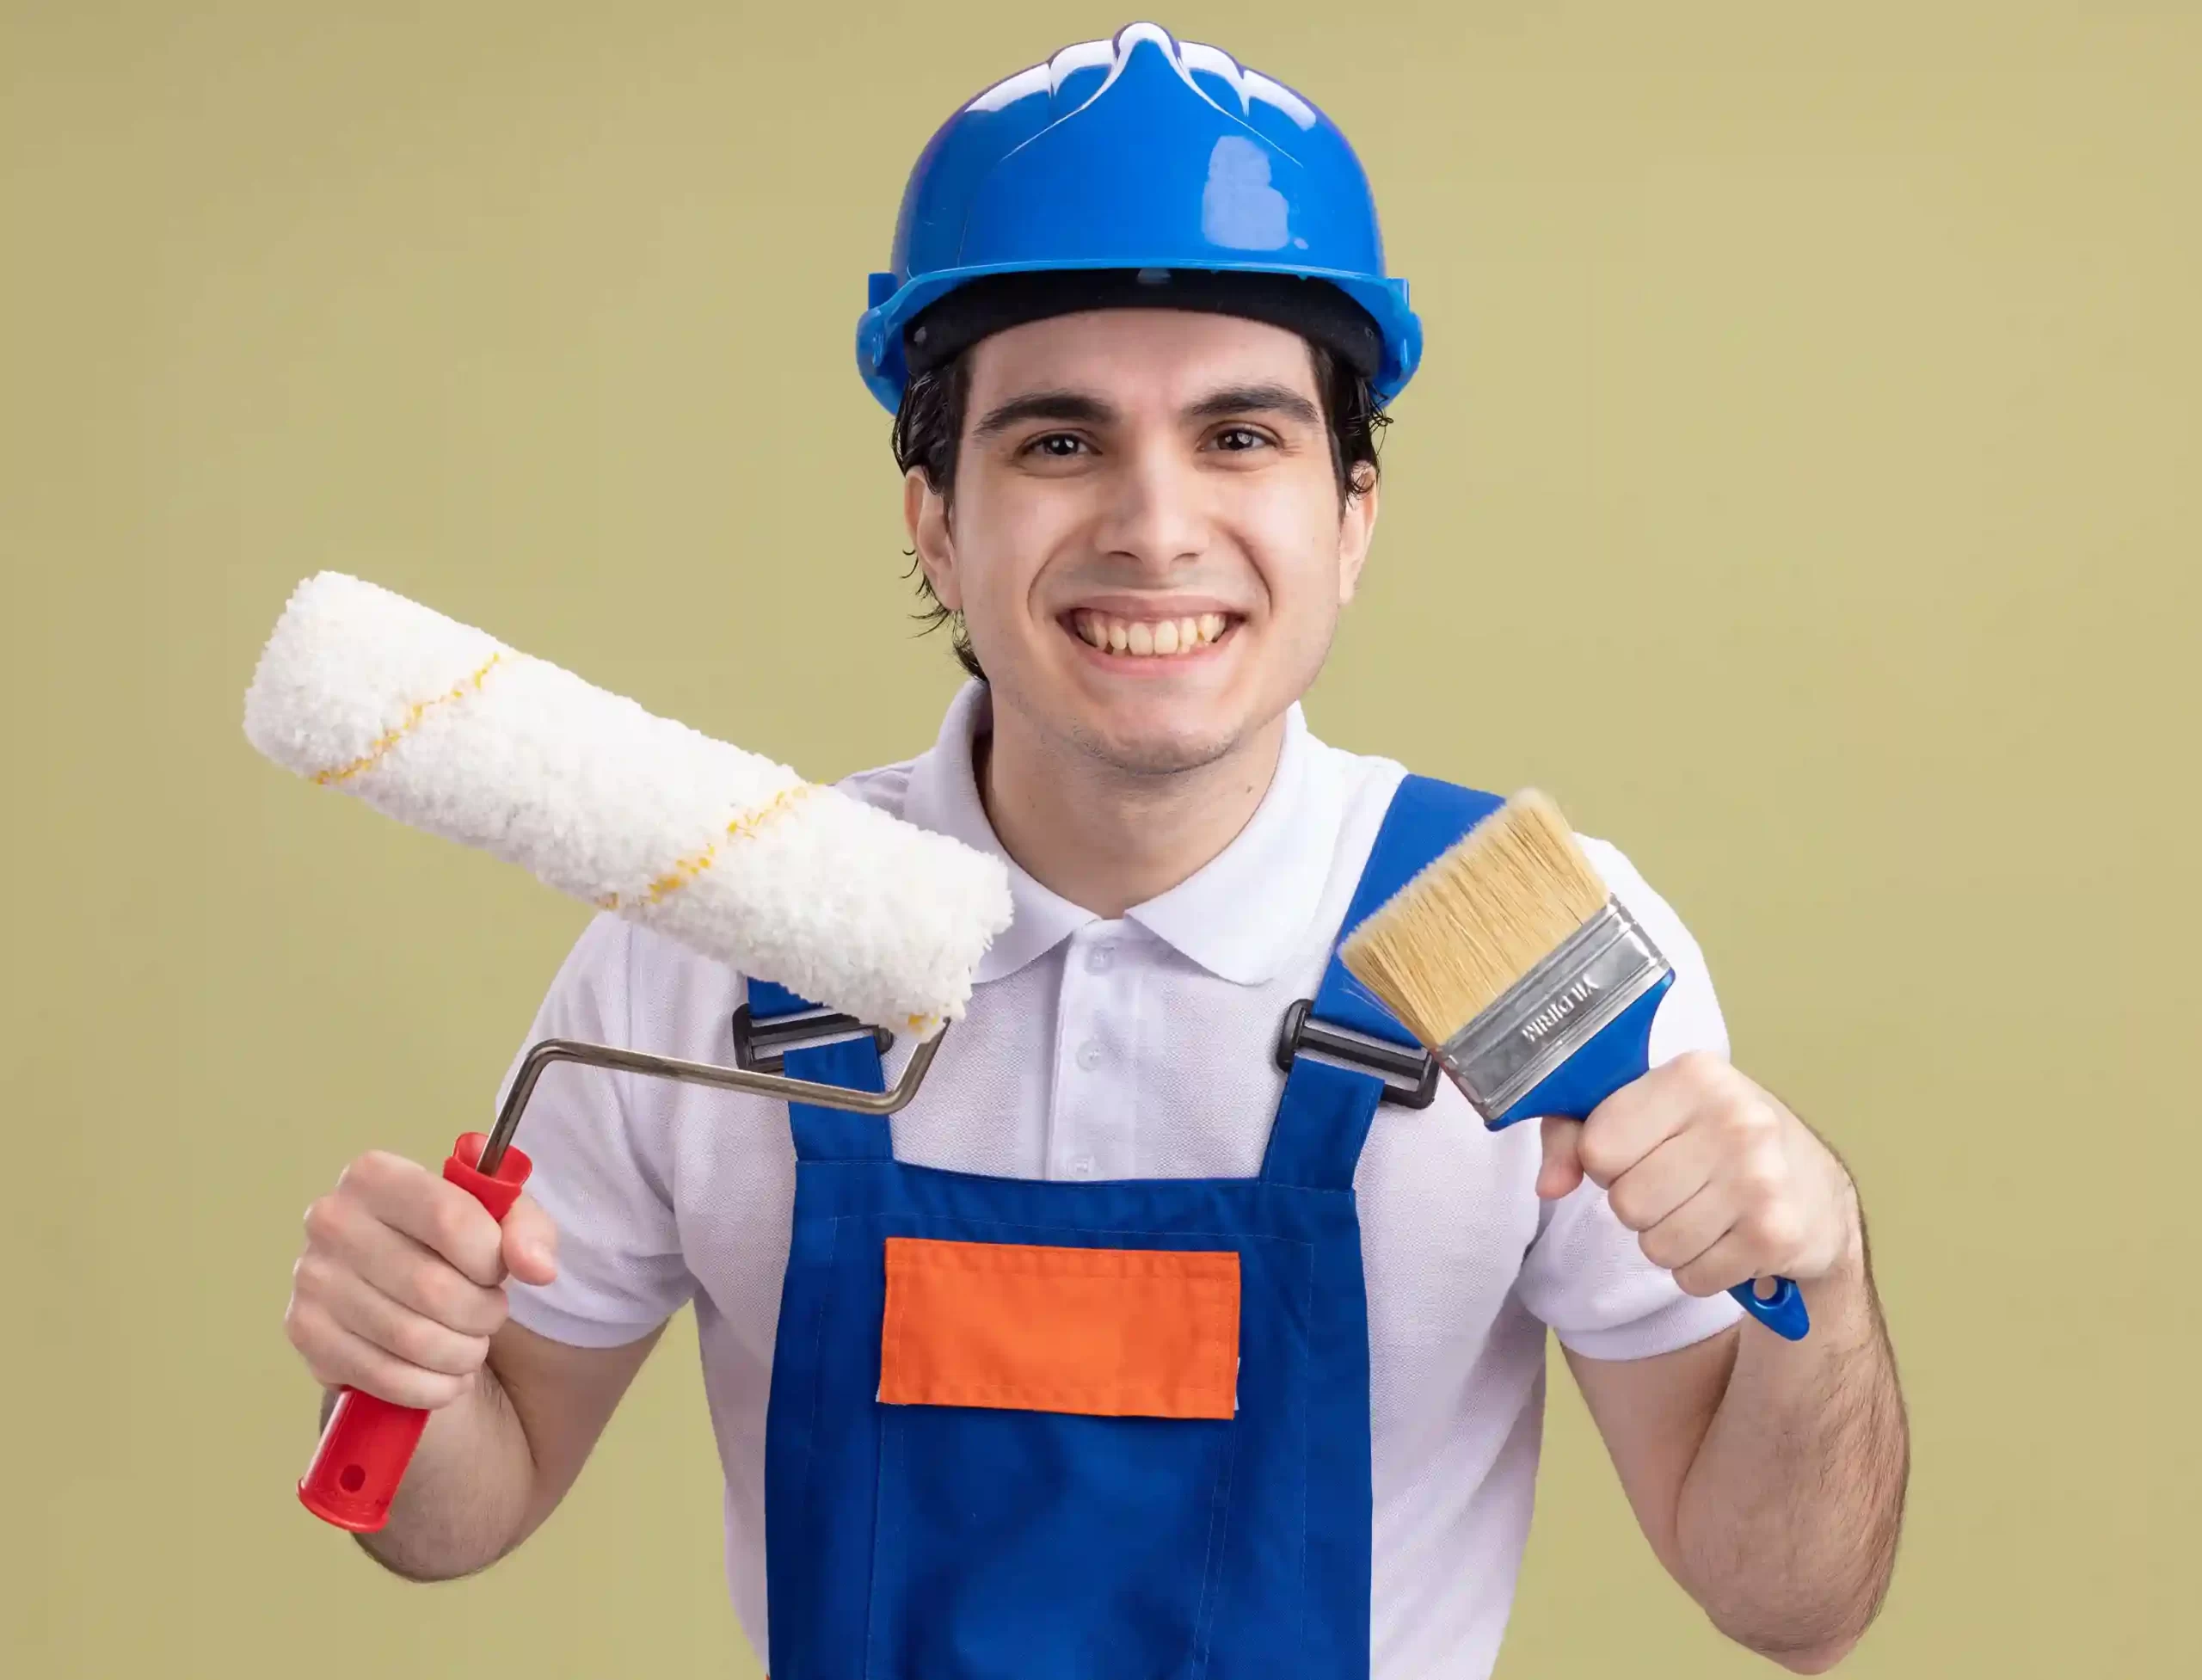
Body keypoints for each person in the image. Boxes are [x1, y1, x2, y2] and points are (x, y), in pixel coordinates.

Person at [282, 23, 1907, 1678]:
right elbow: (462, 1513)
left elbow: (1795, 1604)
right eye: (1059, 442)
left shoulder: (1513, 941)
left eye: (1241, 437)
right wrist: (401, 1368)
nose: (1152, 522)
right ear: (934, 516)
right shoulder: (717, 937)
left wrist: (1819, 1282)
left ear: (1353, 516)